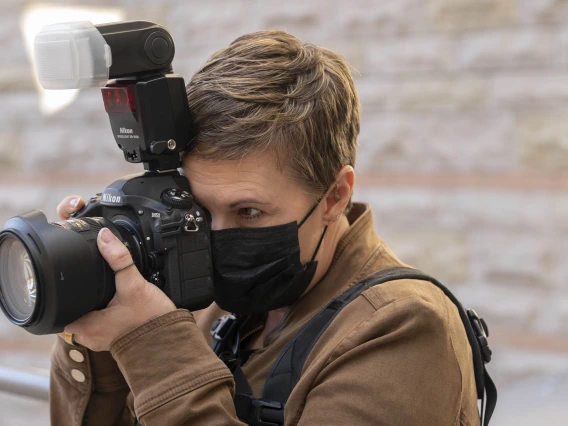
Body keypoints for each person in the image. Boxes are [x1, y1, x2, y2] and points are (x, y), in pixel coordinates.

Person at [50, 30, 480, 425]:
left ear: (335, 196)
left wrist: (153, 343)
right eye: (199, 207)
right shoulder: (212, 306)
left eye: (248, 212)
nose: (215, 235)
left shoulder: (403, 328)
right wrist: (101, 317)